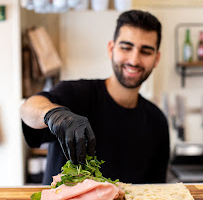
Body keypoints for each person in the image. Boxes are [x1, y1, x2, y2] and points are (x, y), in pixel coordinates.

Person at [20, 10, 170, 185]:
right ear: (111, 49)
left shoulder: (157, 121)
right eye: (126, 47)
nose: (134, 60)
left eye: (145, 51)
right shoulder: (76, 94)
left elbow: (157, 189)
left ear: (156, 58)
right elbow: (28, 108)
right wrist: (54, 114)